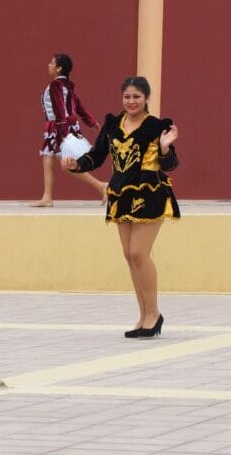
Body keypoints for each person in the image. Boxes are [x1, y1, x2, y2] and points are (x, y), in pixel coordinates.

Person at [63, 76, 179, 338]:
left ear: (146, 98)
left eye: (137, 97)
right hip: (121, 193)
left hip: (150, 192)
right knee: (129, 256)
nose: (131, 101)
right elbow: (98, 154)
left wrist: (164, 147)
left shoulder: (158, 126)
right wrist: (77, 165)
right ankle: (144, 315)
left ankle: (154, 313)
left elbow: (171, 164)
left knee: (139, 253)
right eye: (127, 96)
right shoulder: (114, 124)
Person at [31, 53, 106, 206]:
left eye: (52, 63)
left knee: (66, 164)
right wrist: (91, 122)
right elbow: (77, 106)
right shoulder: (68, 85)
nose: (49, 65)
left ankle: (102, 186)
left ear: (59, 68)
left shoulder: (55, 86)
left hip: (59, 127)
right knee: (48, 159)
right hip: (64, 126)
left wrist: (63, 135)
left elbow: (59, 110)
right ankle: (47, 197)